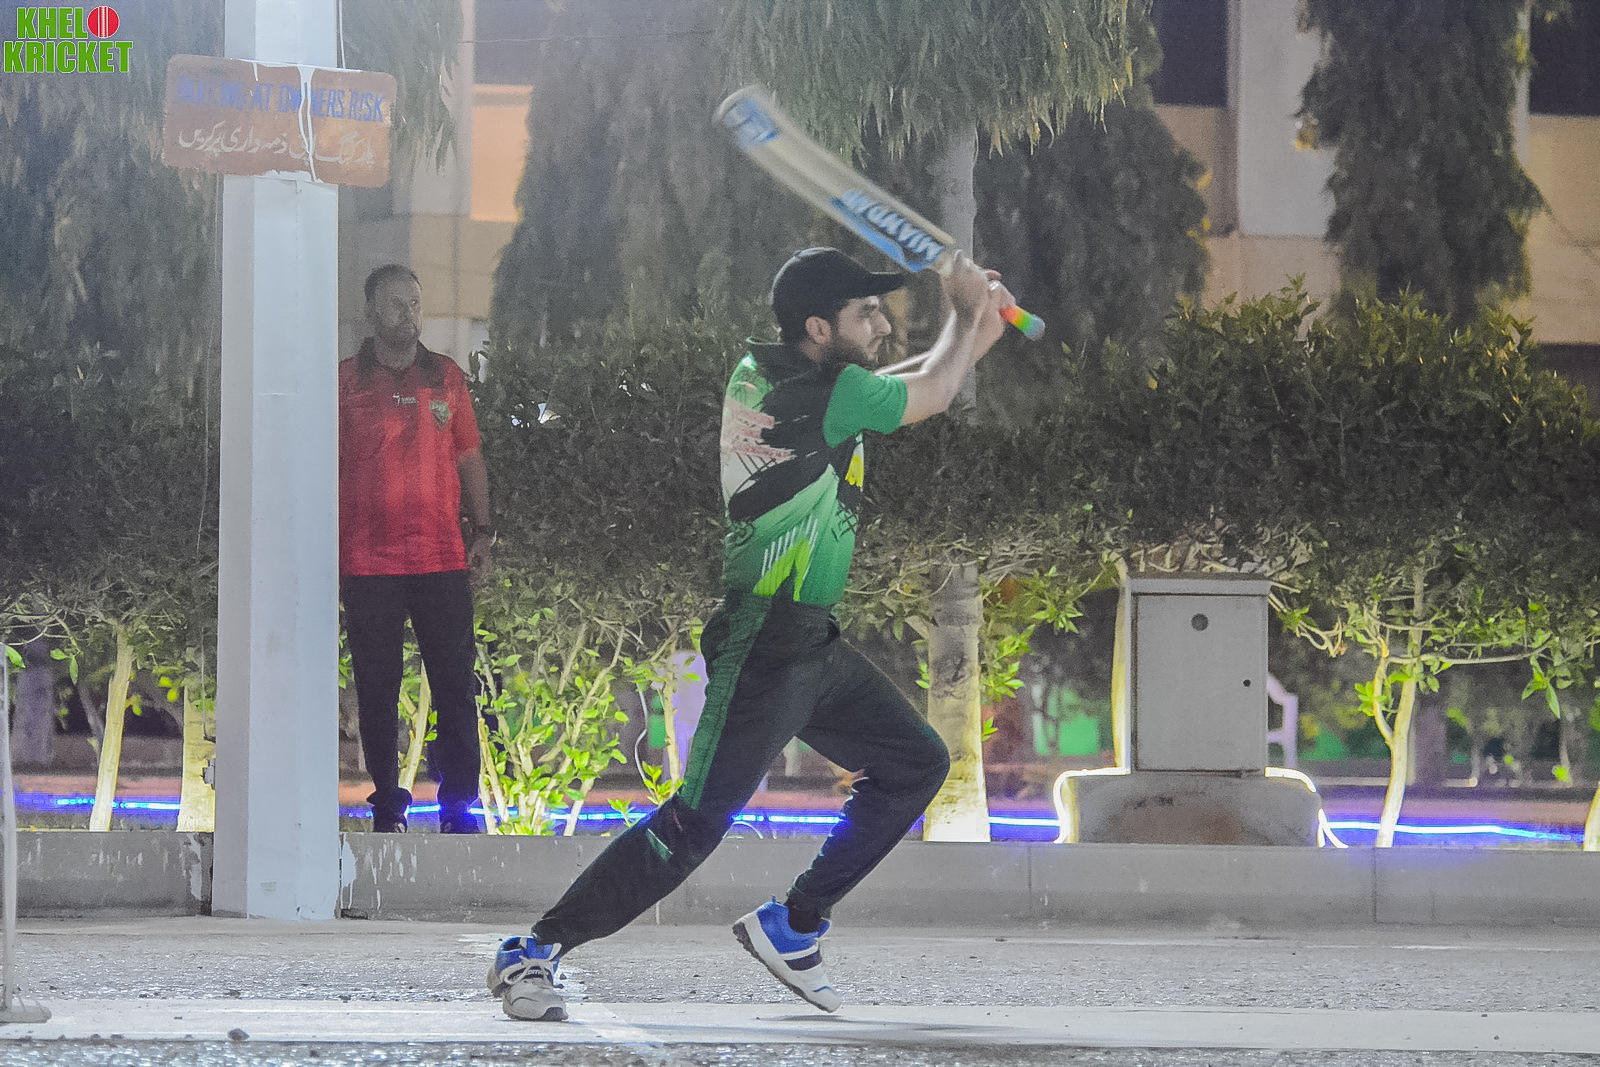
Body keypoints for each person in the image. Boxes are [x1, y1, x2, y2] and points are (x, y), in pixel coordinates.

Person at [487, 247, 1012, 1021]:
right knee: (691, 826)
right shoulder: (828, 392)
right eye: (865, 313)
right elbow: (927, 392)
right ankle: (532, 950)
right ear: (818, 328)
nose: (881, 325)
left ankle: (795, 922)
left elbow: (909, 386)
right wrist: (966, 317)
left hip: (808, 640)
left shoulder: (771, 374)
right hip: (766, 644)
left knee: (916, 762)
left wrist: (972, 331)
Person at [339, 264, 494, 834]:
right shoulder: (345, 382)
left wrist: (484, 530)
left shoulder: (446, 377)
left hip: (440, 559)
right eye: (396, 304)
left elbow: (469, 455)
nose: (409, 314)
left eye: (415, 303)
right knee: (377, 690)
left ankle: (458, 806)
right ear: (370, 313)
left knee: (456, 686)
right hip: (368, 562)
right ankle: (387, 804)